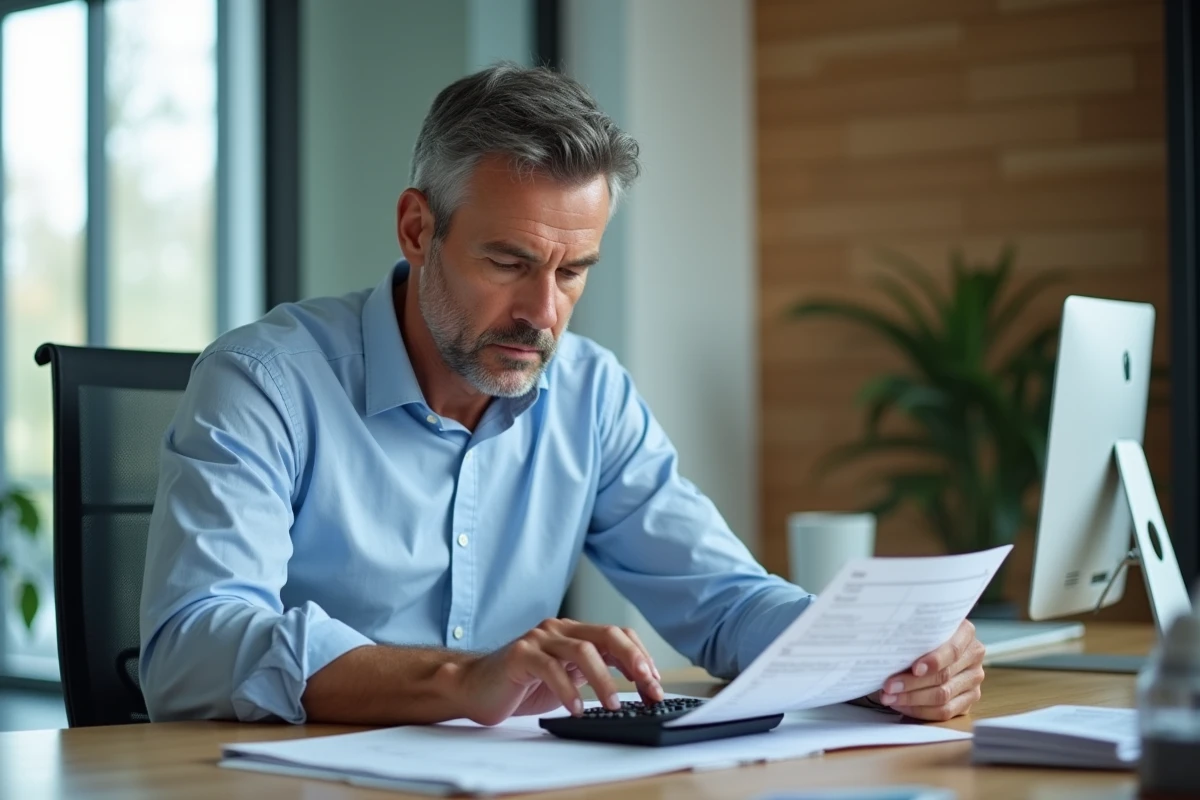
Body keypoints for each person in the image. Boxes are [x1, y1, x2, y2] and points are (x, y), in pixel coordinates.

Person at [139, 64, 985, 727]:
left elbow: (724, 600)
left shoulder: (591, 394)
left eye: (573, 271)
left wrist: (881, 655)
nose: (543, 313)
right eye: (509, 262)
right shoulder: (265, 382)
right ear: (417, 229)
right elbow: (191, 646)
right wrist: (460, 679)